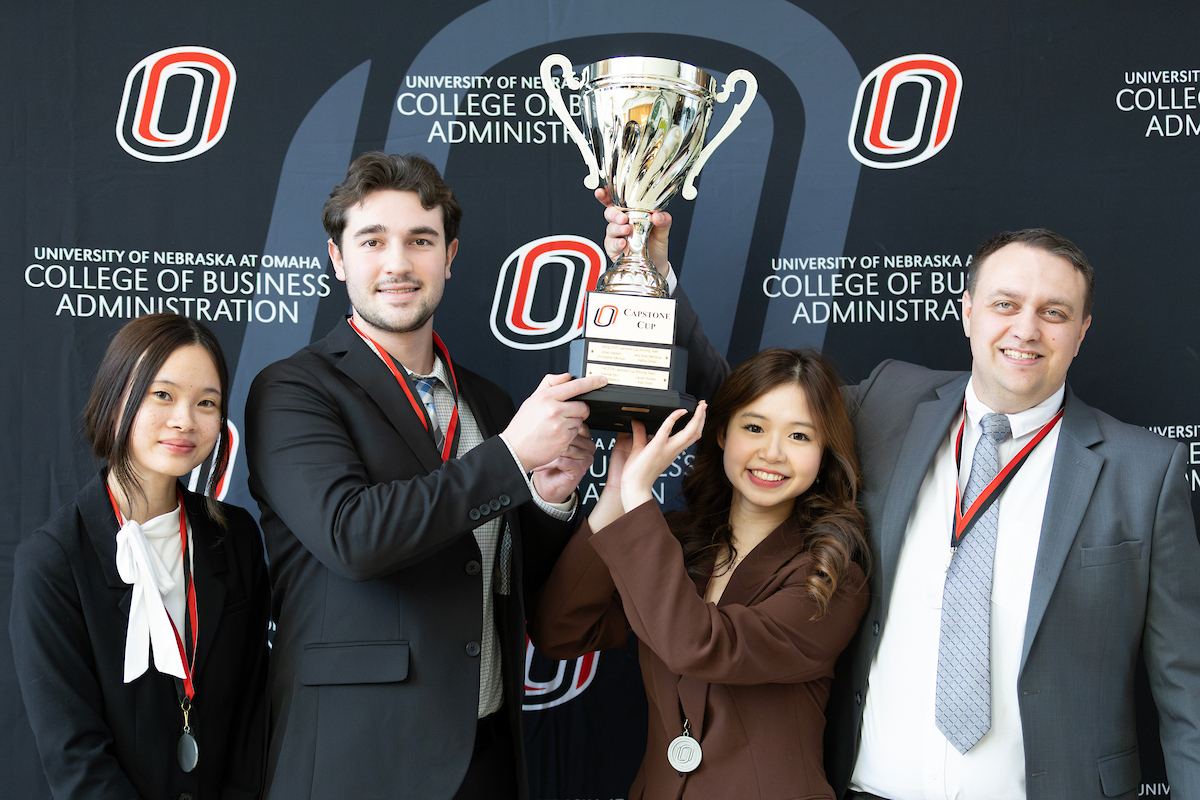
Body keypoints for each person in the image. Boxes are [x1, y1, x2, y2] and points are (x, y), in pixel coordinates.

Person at [243, 152, 723, 800]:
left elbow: (536, 596)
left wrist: (557, 500)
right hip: (357, 761)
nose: (397, 263)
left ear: (450, 255)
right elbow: (353, 536)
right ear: (337, 259)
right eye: (372, 241)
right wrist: (510, 457)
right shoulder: (294, 389)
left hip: (486, 755)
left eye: (420, 240)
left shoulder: (491, 404)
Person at [821, 229, 1200, 800]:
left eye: (1054, 312)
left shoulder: (1145, 472)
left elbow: (1186, 690)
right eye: (1006, 304)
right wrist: (654, 284)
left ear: (1082, 332)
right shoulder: (886, 403)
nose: (1026, 330)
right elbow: (750, 406)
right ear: (968, 312)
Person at [530, 347, 871, 799]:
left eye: (800, 436)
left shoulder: (831, 578)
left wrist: (639, 499)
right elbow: (560, 632)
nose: (772, 453)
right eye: (754, 427)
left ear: (824, 453)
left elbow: (700, 646)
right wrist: (616, 494)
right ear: (721, 434)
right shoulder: (671, 542)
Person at [10, 313, 270, 800]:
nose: (184, 420)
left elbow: (253, 714)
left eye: (206, 403)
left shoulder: (234, 538)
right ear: (116, 400)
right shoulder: (53, 561)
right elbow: (75, 755)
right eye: (163, 395)